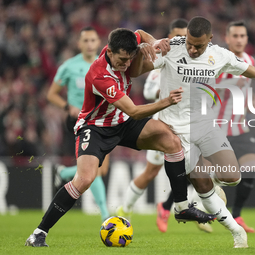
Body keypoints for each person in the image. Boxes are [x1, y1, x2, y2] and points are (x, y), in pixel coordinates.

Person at [137, 16, 255, 248]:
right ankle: (236, 232)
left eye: (198, 45)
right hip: (174, 133)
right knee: (203, 185)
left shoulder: (220, 55)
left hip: (206, 125)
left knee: (233, 177)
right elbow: (138, 62)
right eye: (189, 42)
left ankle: (212, 188)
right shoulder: (172, 48)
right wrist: (145, 45)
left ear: (210, 39)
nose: (192, 48)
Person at [25, 28, 215, 248]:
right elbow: (134, 111)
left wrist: (153, 43)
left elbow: (140, 33)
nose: (126, 64)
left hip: (121, 122)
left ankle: (182, 207)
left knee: (171, 141)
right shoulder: (99, 75)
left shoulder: (125, 44)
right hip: (96, 128)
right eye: (122, 60)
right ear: (110, 51)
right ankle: (39, 233)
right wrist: (165, 102)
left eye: (129, 59)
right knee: (85, 180)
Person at [116, 19, 223, 234]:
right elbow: (147, 92)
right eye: (177, 36)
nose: (182, 41)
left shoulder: (195, 62)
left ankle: (175, 208)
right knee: (150, 172)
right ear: (169, 37)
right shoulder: (162, 59)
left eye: (185, 37)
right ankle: (124, 210)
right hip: (162, 125)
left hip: (186, 126)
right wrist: (169, 92)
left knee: (195, 168)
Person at [46, 26, 110, 222]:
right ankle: (105, 215)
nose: (90, 44)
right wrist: (68, 107)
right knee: (96, 168)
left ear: (98, 43)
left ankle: (64, 172)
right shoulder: (69, 66)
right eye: (86, 41)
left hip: (101, 119)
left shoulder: (106, 65)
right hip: (80, 120)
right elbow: (51, 94)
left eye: (93, 40)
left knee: (101, 169)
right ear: (79, 44)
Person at [214, 20, 255, 233]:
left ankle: (237, 214)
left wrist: (252, 100)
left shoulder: (250, 60)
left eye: (243, 36)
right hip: (218, 127)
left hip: (240, 127)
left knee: (250, 169)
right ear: (227, 38)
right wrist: (231, 85)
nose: (239, 40)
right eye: (235, 36)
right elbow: (207, 87)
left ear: (246, 39)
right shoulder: (219, 60)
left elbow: (247, 89)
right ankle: (173, 205)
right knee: (203, 174)